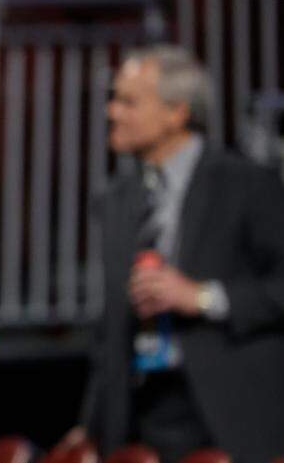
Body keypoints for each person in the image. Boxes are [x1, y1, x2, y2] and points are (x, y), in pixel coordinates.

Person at [63, 46, 284, 463]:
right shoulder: (116, 199)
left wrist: (202, 297)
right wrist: (91, 425)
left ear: (177, 113)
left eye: (129, 101)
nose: (112, 112)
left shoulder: (247, 184)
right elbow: (111, 327)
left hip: (231, 413)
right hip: (141, 414)